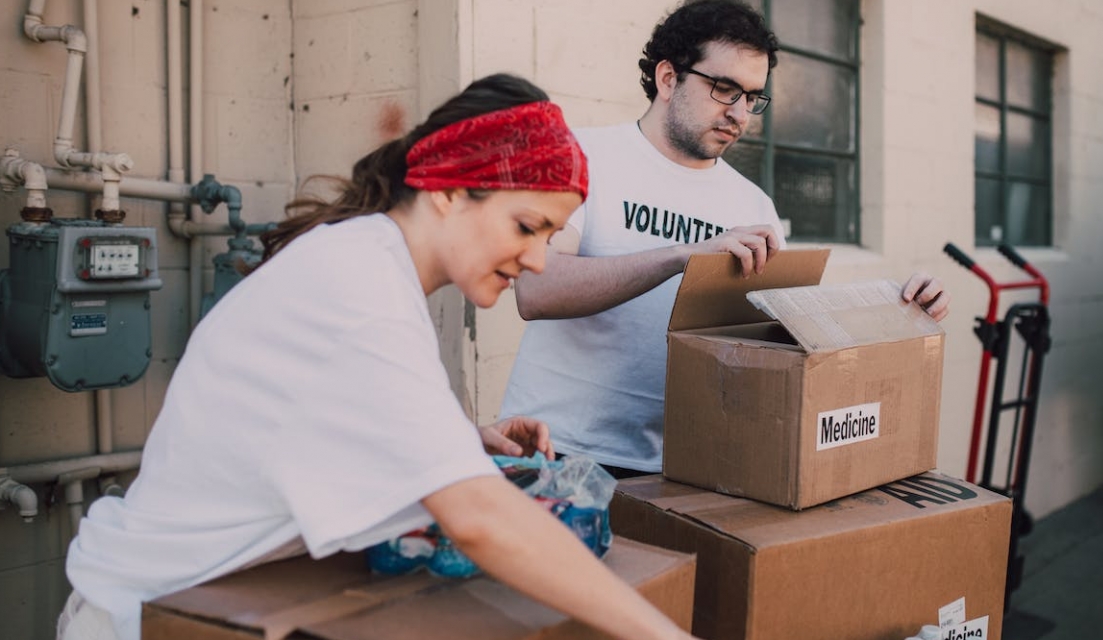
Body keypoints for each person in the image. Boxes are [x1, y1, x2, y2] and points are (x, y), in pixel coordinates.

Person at [60, 74, 695, 640]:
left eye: (551, 237)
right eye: (526, 226)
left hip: (207, 599)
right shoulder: (360, 286)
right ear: (447, 191)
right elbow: (479, 521)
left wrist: (455, 439)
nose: (536, 260)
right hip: (149, 614)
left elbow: (307, 416)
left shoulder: (367, 260)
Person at [500, 0, 950, 478]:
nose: (740, 113)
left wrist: (899, 309)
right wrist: (682, 255)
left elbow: (784, 339)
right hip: (553, 449)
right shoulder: (581, 155)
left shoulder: (753, 208)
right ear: (668, 78)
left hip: (677, 467)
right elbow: (536, 290)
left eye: (752, 97)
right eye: (724, 89)